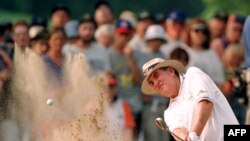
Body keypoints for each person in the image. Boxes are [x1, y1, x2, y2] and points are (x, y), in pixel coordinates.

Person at [141, 58, 239, 141]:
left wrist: (194, 134)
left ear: (171, 71)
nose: (155, 83)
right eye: (152, 83)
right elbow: (178, 132)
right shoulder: (169, 113)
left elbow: (206, 103)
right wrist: (186, 138)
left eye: (156, 75)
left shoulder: (192, 74)